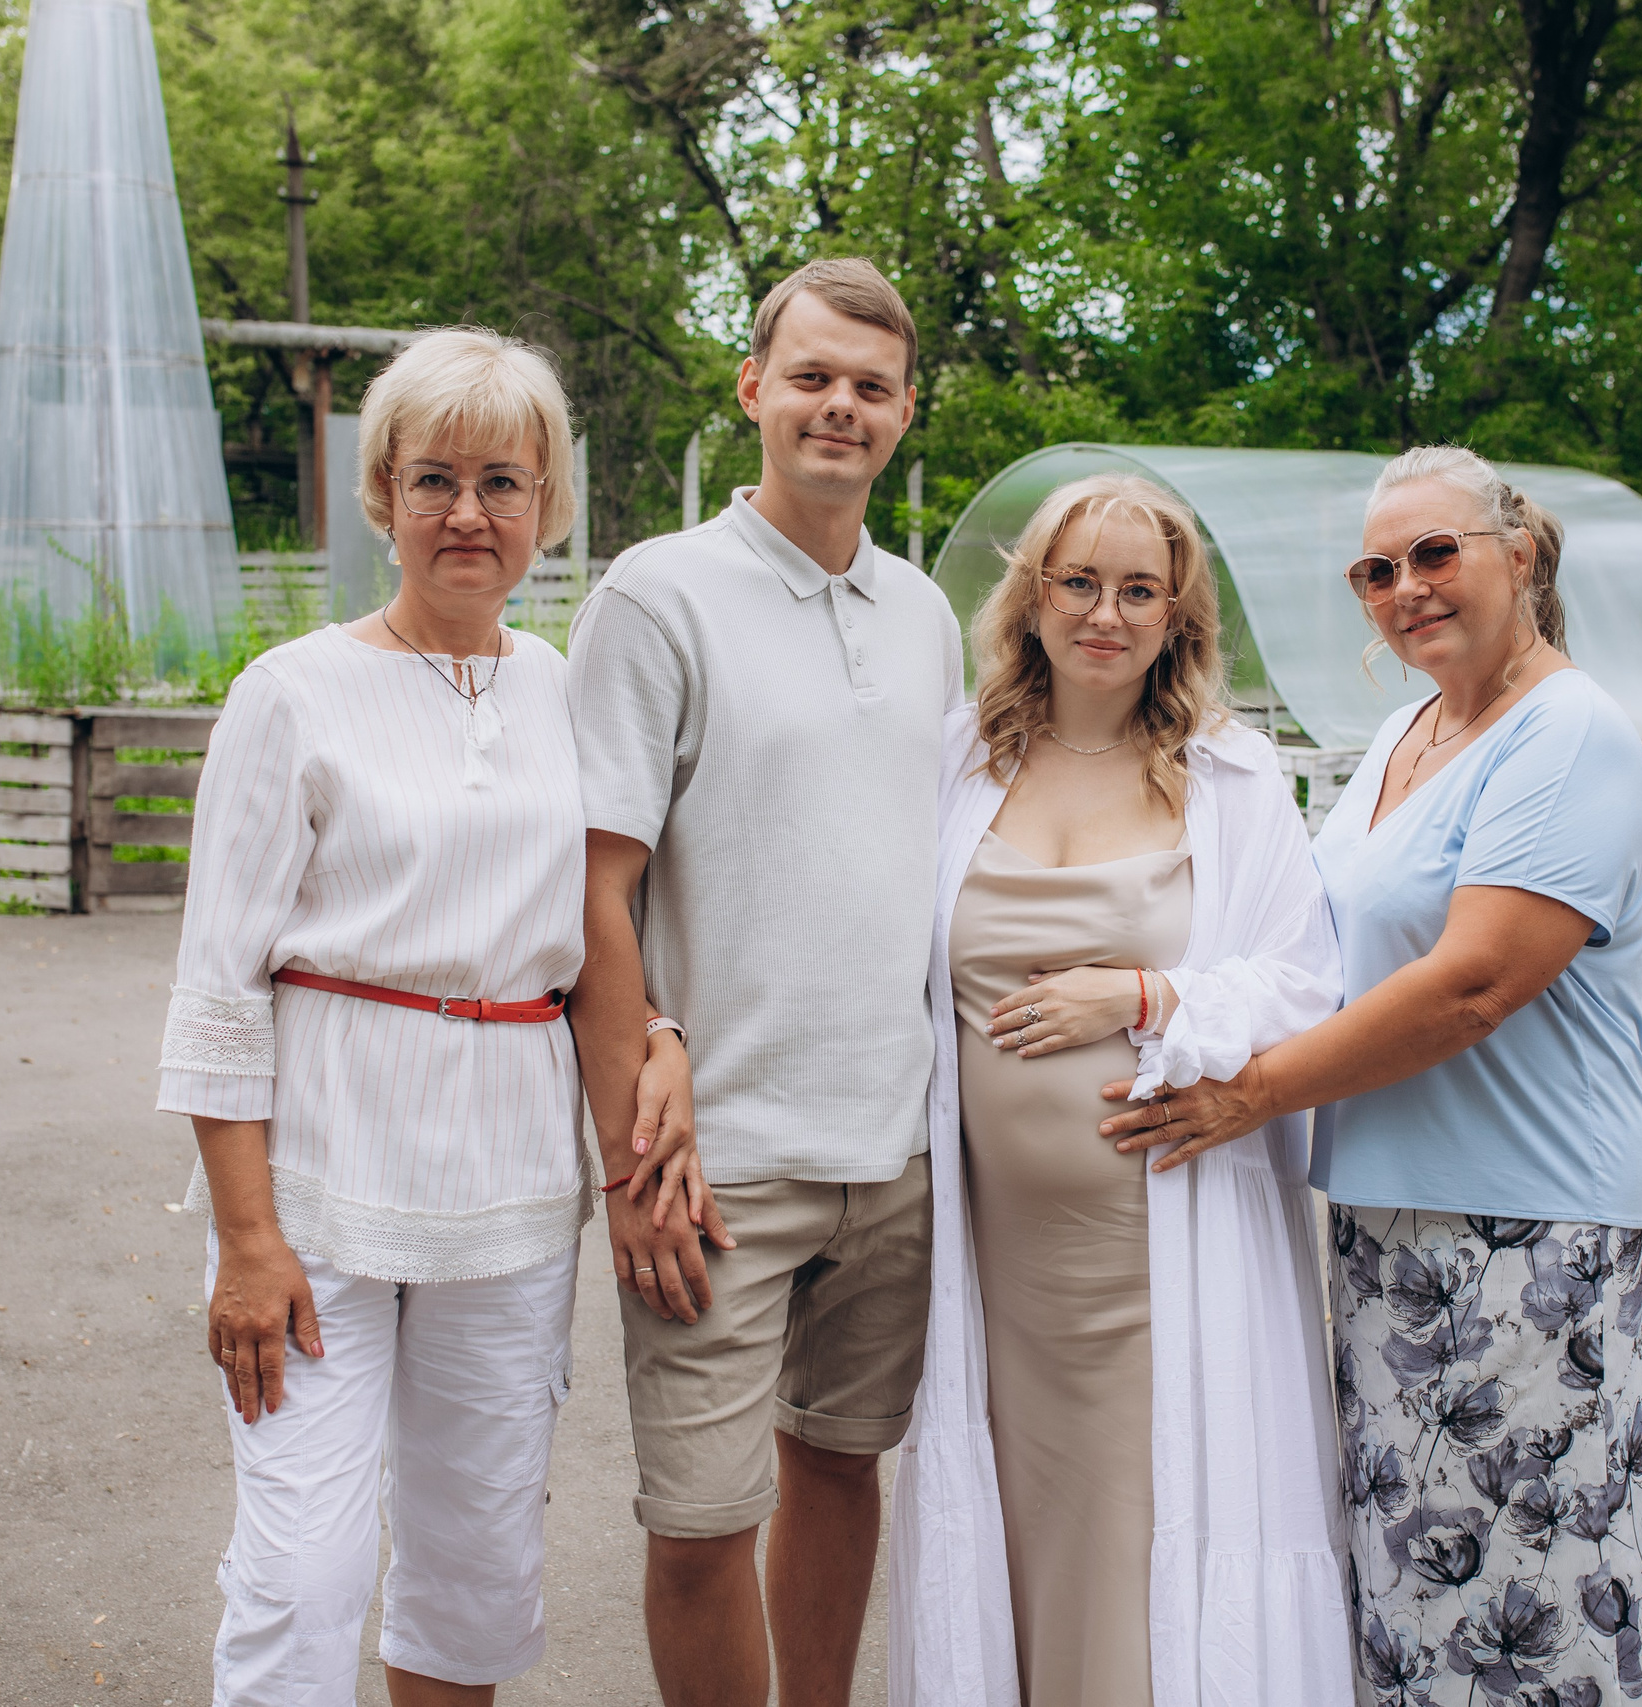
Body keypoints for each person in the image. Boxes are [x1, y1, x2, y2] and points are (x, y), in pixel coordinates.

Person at [159, 327, 692, 1706]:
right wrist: (246, 1239)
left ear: (547, 504)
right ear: (382, 492)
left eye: (503, 481)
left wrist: (658, 1069)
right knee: (304, 1567)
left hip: (510, 1198)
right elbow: (219, 986)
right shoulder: (290, 694)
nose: (469, 511)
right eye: (435, 478)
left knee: (477, 1559)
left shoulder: (568, 689)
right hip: (324, 1199)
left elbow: (609, 928)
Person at [1098, 446, 1642, 1705]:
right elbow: (1314, 931)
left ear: (1516, 554)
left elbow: (1472, 983)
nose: (1405, 586)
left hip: (1525, 1238)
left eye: (1434, 553)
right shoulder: (1415, 727)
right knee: (1418, 1593)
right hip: (1390, 1229)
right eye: (1376, 570)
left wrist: (1251, 1091)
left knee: (1534, 1599)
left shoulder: (1566, 731)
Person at [568, 257, 963, 1707]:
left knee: (843, 1463)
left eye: (869, 385)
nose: (838, 407)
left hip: (899, 1149)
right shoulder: (657, 596)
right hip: (715, 1160)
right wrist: (629, 1154)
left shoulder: (927, 613)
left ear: (905, 410)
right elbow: (590, 890)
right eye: (811, 376)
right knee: (698, 1521)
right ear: (752, 390)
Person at [892, 474, 1353, 1707]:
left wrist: (1143, 997)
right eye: (1080, 582)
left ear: (1176, 616)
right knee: (1017, 1511)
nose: (1106, 613)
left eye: (1138, 590)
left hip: (1163, 1238)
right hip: (995, 1254)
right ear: (1032, 597)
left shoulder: (1230, 775)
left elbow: (1304, 983)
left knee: (1155, 1504)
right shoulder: (956, 759)